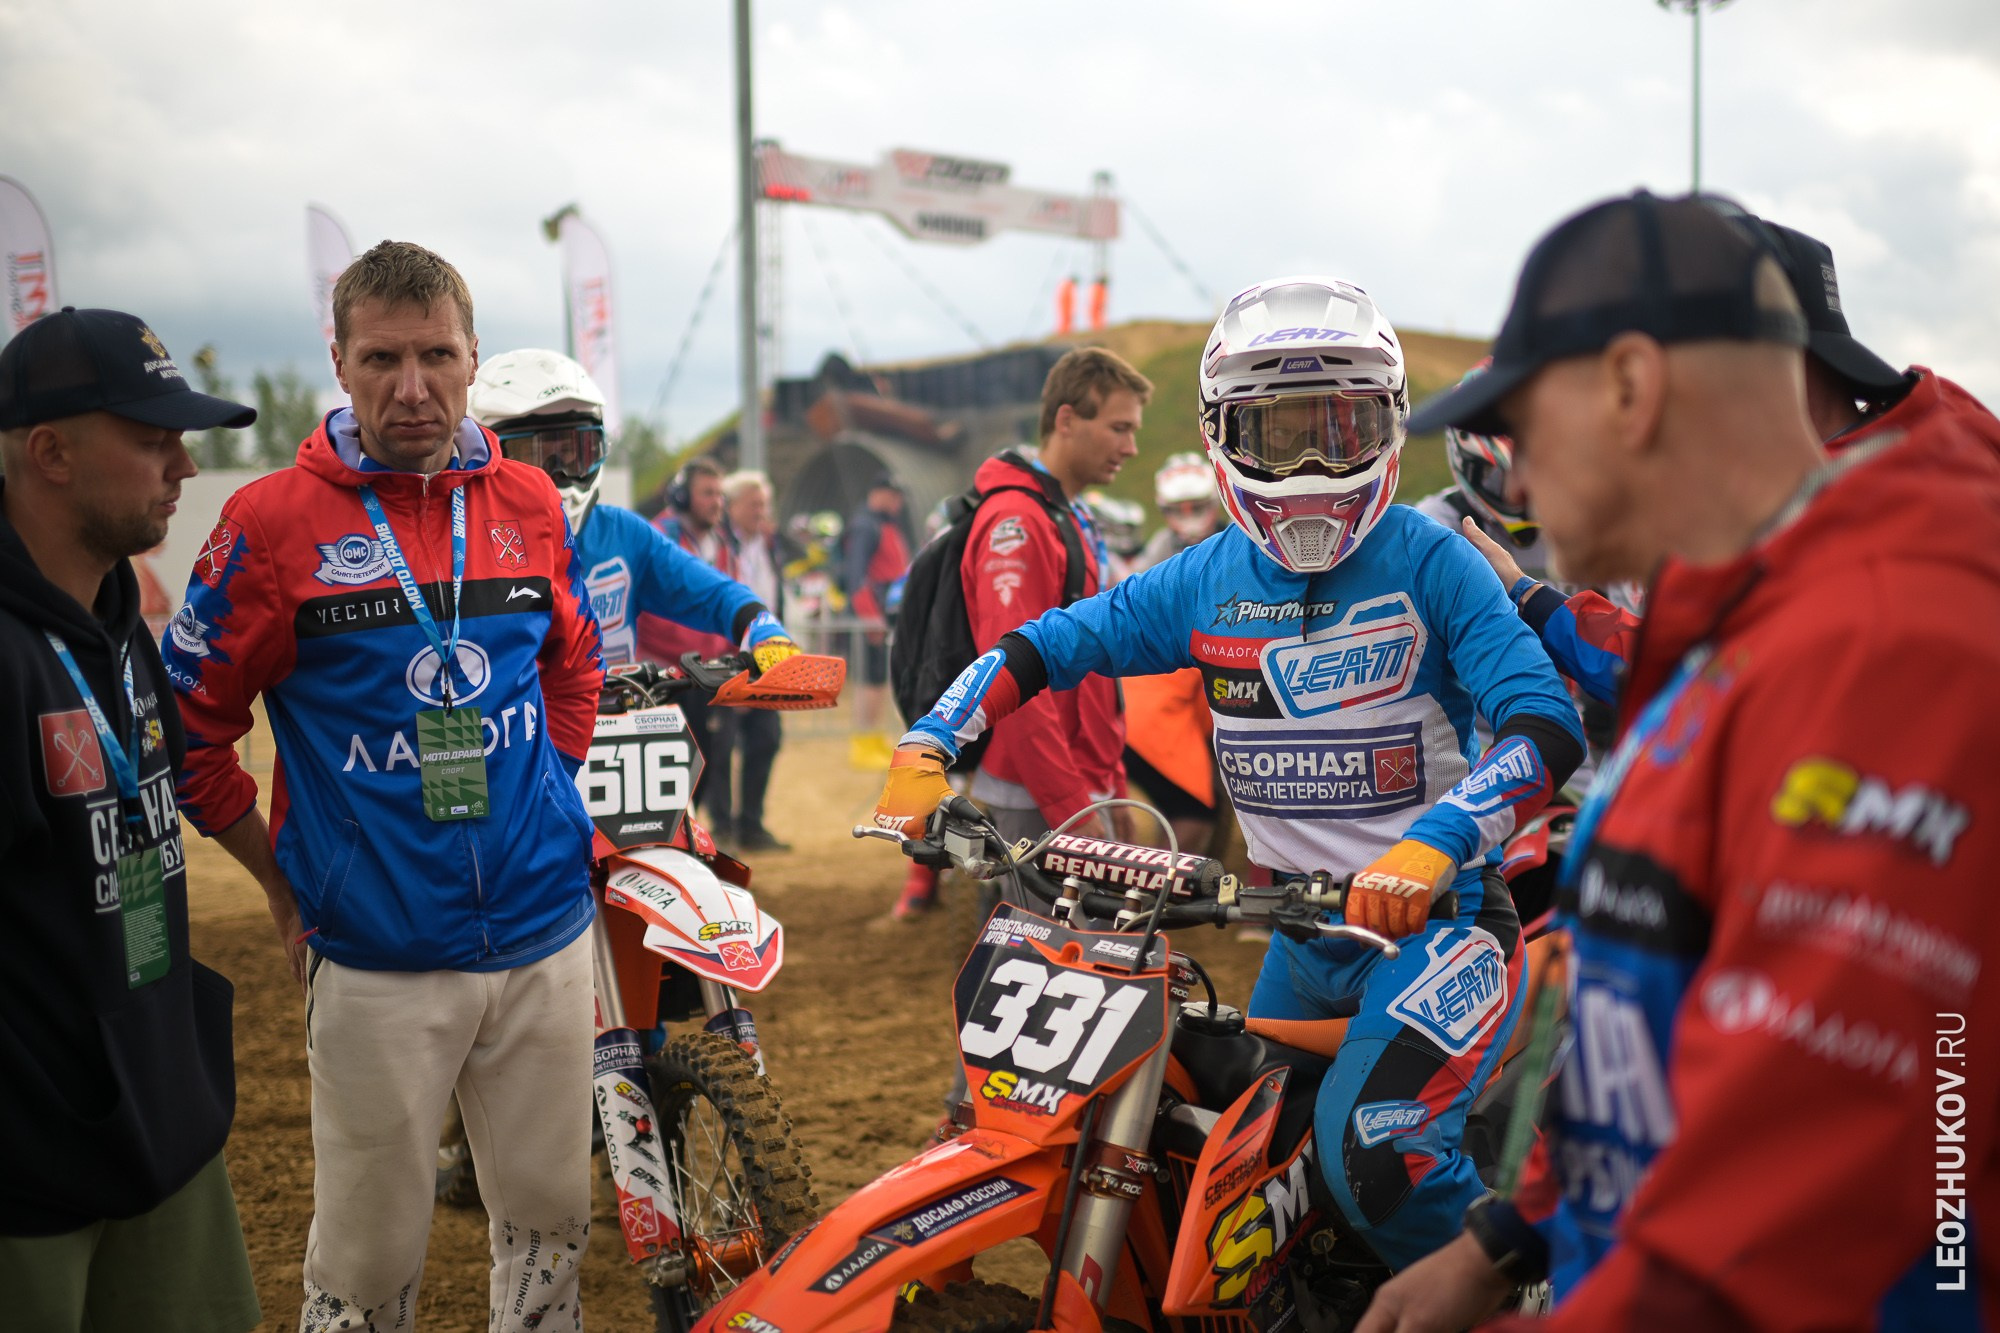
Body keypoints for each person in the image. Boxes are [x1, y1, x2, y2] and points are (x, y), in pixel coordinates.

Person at [1359, 192, 2000, 1332]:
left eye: (1519, 422)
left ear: (1628, 388)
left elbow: (1813, 1179)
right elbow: (1640, 1018)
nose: (1508, 475)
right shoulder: (1740, 623)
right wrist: (1506, 1241)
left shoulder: (1888, 643)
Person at [874, 279, 1585, 1271]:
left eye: (1335, 430)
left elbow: (1540, 720)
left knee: (1374, 1150)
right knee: (1237, 1179)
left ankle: (1517, 1298)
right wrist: (931, 740)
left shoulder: (1433, 561)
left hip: (1440, 929)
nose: (1304, 464)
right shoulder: (1206, 576)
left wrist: (1435, 843)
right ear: (1220, 435)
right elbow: (1045, 644)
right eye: (1274, 431)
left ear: (1383, 425)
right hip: (1300, 934)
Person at [164, 242, 608, 1333]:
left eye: (436, 356)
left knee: (552, 1219)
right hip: (374, 953)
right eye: (381, 359)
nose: (411, 388)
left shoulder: (531, 503)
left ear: (471, 358)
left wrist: (538, 801)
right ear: (340, 361)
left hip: (546, 931)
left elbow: (575, 665)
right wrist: (284, 881)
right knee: (368, 1256)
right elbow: (188, 733)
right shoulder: (268, 524)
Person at [0, 308, 261, 1333]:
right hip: (28, 1176)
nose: (184, 466)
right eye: (152, 438)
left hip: (159, 1126)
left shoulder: (114, 621)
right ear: (52, 453)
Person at [466, 353, 800, 853]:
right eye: (537, 453)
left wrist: (762, 629)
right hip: (508, 749)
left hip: (618, 743)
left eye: (575, 450)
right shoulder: (458, 543)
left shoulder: (621, 533)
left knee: (667, 866)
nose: (558, 470)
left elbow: (716, 591)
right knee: (478, 875)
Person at [640, 455, 739, 820]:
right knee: (671, 773)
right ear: (682, 496)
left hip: (712, 676)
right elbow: (646, 610)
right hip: (667, 678)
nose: (717, 502)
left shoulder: (723, 543)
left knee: (709, 764)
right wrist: (690, 655)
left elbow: (733, 600)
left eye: (720, 494)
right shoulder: (657, 537)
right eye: (707, 493)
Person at [714, 469, 796, 851]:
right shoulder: (717, 545)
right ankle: (723, 828)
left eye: (764, 503)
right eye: (754, 504)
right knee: (719, 745)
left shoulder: (768, 543)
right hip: (727, 659)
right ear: (730, 507)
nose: (762, 511)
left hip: (767, 659)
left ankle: (751, 825)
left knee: (766, 739)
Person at [842, 472, 911, 769]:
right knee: (869, 681)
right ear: (879, 494)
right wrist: (870, 617)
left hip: (886, 612)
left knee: (879, 680)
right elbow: (856, 575)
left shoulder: (884, 524)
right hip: (873, 614)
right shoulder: (865, 526)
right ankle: (862, 742)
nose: (898, 502)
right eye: (893, 495)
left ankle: (873, 737)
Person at [1133, 448, 1222, 572]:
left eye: (1197, 508)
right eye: (1178, 510)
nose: (1189, 517)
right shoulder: (1162, 545)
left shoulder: (1234, 537)